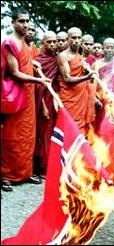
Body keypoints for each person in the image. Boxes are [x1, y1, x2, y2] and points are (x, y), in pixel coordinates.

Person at [1, 7, 51, 192]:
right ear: (13, 23)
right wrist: (39, 80)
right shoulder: (10, 42)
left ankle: (24, 172)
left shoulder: (27, 45)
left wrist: (34, 63)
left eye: (27, 21)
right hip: (16, 96)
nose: (25, 24)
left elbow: (26, 62)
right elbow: (14, 73)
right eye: (21, 21)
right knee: (12, 136)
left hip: (29, 96)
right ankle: (6, 174)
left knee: (28, 135)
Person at [57, 27, 95, 136]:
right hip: (70, 99)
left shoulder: (79, 57)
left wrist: (88, 73)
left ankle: (78, 152)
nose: (77, 40)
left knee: (80, 129)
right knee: (69, 127)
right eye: (74, 38)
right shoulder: (63, 56)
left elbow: (85, 76)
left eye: (79, 38)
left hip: (81, 98)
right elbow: (67, 79)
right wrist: (86, 77)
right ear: (68, 39)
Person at [34, 31, 59, 177]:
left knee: (50, 133)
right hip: (41, 99)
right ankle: (41, 167)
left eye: (54, 41)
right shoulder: (38, 60)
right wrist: (43, 106)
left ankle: (47, 165)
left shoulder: (56, 59)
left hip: (53, 98)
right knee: (42, 133)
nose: (52, 44)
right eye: (49, 42)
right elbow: (38, 86)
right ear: (43, 43)